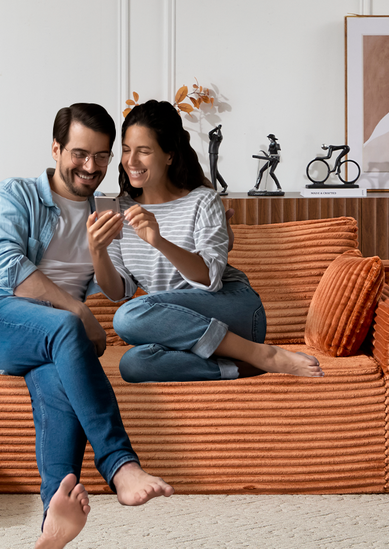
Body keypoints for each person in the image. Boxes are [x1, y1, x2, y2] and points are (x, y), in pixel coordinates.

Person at [0, 103, 173, 549]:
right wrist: (77, 311)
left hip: (51, 339)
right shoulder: (13, 195)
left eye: (101, 156)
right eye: (80, 153)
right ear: (56, 149)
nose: (91, 167)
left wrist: (101, 250)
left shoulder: (109, 210)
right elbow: (5, 266)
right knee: (64, 328)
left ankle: (53, 514)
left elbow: (120, 289)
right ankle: (120, 465)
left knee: (56, 374)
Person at [94, 99, 323, 383]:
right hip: (177, 325)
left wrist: (159, 241)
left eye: (144, 151)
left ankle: (261, 353)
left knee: (127, 317)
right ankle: (242, 366)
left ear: (169, 155)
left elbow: (210, 280)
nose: (131, 161)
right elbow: (119, 291)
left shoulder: (203, 200)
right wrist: (97, 250)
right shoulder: (120, 210)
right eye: (127, 150)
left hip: (234, 310)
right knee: (134, 364)